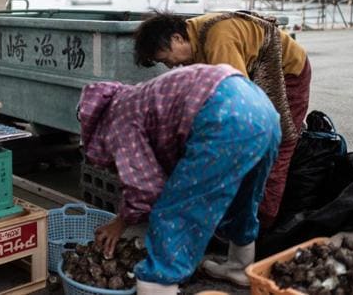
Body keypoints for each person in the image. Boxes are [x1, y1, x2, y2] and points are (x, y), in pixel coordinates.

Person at [78, 64, 281, 293]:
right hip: (262, 110)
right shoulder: (137, 96)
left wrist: (119, 223)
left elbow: (145, 188)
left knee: (176, 212)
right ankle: (239, 267)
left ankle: (157, 285)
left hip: (224, 117)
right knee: (242, 200)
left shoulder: (118, 118)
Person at [133, 11, 312, 230]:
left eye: (165, 58)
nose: (169, 66)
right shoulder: (194, 40)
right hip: (252, 75)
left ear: (177, 38)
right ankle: (236, 219)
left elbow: (241, 104)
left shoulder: (218, 40)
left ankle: (259, 228)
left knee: (274, 149)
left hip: (287, 74)